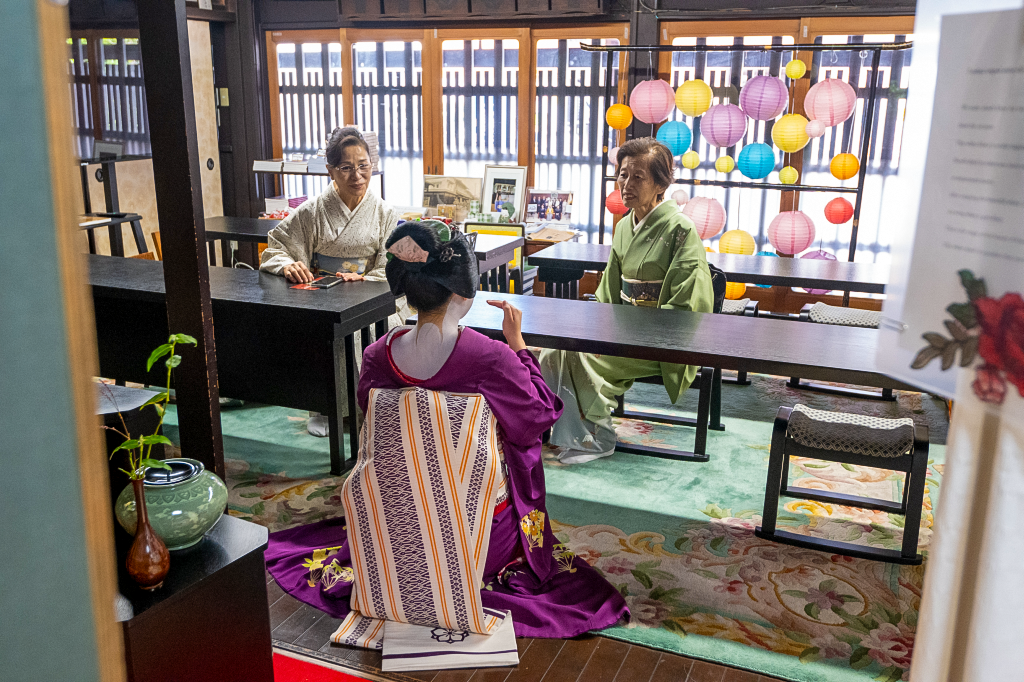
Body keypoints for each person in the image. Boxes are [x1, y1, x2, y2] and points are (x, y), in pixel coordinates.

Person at [265, 221, 629, 639]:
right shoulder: (490, 357)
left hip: (392, 527)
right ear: (463, 293)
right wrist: (519, 346)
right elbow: (538, 416)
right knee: (517, 446)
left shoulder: (376, 355)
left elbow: (374, 414)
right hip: (475, 539)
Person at [540, 137, 715, 464]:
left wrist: (633, 333)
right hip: (622, 330)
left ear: (661, 183)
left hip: (662, 339)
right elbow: (610, 288)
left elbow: (689, 303)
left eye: (639, 177)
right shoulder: (624, 226)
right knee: (554, 351)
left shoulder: (681, 230)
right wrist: (599, 327)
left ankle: (599, 438)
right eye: (623, 175)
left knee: (581, 360)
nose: (627, 184)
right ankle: (573, 432)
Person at [260, 126, 407, 436]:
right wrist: (289, 265)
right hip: (322, 297)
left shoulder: (384, 213)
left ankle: (374, 410)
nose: (357, 175)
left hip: (369, 295)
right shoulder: (312, 212)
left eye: (363, 165)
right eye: (346, 167)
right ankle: (326, 409)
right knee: (324, 334)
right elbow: (276, 246)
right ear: (330, 170)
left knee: (375, 332)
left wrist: (366, 277)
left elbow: (391, 264)